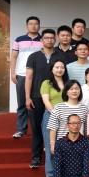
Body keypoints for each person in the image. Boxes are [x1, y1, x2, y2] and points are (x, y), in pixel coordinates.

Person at [25, 29, 63, 168]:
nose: (49, 40)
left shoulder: (60, 56)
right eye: (46, 38)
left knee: (55, 129)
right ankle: (36, 157)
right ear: (41, 40)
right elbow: (29, 77)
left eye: (52, 38)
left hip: (55, 98)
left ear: (55, 39)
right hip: (36, 97)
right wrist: (27, 97)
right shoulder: (33, 56)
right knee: (36, 129)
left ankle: (55, 158)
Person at [12, 16, 43, 139]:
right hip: (22, 75)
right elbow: (14, 57)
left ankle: (40, 129)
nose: (33, 26)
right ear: (27, 26)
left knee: (39, 103)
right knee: (22, 103)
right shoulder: (19, 40)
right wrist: (12, 73)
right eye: (31, 24)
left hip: (38, 76)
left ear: (39, 26)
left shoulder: (43, 40)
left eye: (36, 24)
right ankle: (21, 129)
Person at [40, 59, 68, 177]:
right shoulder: (47, 83)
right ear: (52, 69)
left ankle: (64, 173)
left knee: (65, 146)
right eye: (57, 67)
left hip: (66, 118)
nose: (59, 69)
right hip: (51, 115)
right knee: (50, 145)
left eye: (62, 67)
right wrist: (56, 113)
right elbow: (46, 101)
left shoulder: (68, 83)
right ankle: (51, 175)